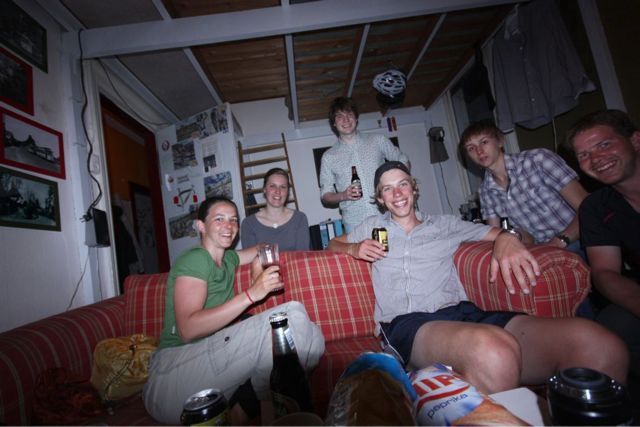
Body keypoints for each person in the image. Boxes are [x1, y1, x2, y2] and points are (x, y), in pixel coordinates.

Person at [328, 161, 628, 393]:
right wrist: (354, 248)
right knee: (492, 350)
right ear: (380, 199)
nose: (397, 194)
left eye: (403, 184)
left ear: (414, 189)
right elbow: (332, 243)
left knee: (598, 345)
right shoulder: (372, 225)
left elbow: (504, 233)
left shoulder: (445, 224)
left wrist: (507, 238)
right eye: (388, 189)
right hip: (406, 323)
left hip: (463, 313)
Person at [143, 196, 325, 425]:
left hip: (205, 370)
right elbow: (188, 329)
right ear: (201, 226)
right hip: (172, 378)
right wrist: (251, 294)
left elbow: (263, 247)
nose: (228, 226)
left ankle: (239, 413)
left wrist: (259, 264)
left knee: (314, 338)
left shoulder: (228, 258)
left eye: (233, 220)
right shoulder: (195, 258)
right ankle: (269, 417)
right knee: (290, 315)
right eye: (219, 219)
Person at [565, 109, 640, 374]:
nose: (596, 159)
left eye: (604, 144)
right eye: (583, 155)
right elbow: (605, 271)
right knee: (609, 328)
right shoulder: (596, 207)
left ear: (635, 140)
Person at [460, 121, 588, 254]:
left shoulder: (538, 160)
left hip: (581, 239)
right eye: (471, 148)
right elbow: (505, 235)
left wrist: (558, 242)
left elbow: (588, 207)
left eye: (484, 142)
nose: (479, 151)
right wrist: (515, 236)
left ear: (500, 141)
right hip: (545, 251)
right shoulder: (485, 192)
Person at [319, 96, 409, 233]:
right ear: (334, 124)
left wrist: (397, 185)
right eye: (340, 116)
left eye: (349, 114)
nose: (346, 119)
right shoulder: (328, 157)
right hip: (354, 224)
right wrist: (343, 195)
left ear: (356, 118)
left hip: (387, 216)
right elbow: (325, 195)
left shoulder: (378, 140)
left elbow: (403, 161)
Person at [241, 168, 310, 251]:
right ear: (264, 189)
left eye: (283, 187)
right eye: (272, 186)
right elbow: (250, 258)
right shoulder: (248, 224)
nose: (278, 191)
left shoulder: (299, 218)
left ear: (287, 192)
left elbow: (302, 255)